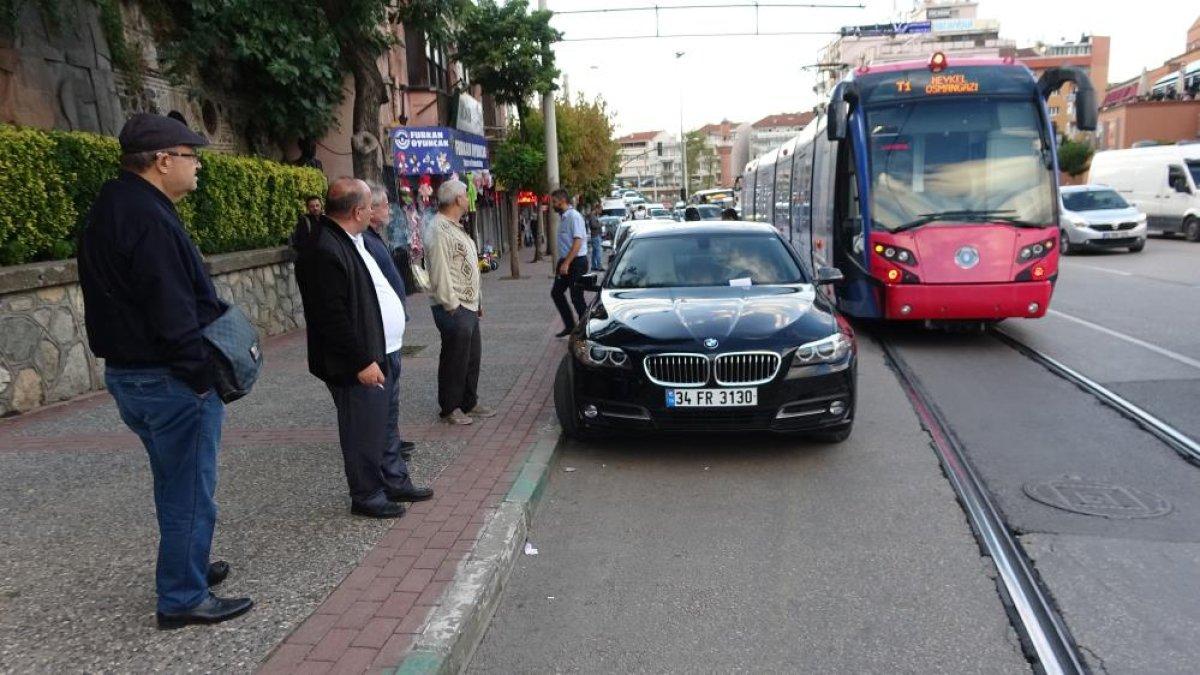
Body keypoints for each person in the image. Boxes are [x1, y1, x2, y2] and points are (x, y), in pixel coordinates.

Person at [77, 112, 253, 630]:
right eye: (191, 156)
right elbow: (170, 308)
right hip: (168, 379)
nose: (197, 166)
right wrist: (201, 378)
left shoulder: (112, 206)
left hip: (132, 375)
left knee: (172, 481)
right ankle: (181, 596)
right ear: (161, 161)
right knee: (189, 490)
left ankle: (188, 565)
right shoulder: (148, 219)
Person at [294, 178, 434, 519]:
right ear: (357, 211)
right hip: (360, 361)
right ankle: (367, 495)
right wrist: (361, 361)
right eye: (370, 205)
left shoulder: (354, 238)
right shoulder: (323, 248)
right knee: (362, 431)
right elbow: (332, 317)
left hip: (383, 350)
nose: (374, 211)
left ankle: (394, 481)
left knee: (385, 424)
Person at [425, 179, 496, 426]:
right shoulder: (437, 229)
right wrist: (451, 304)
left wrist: (478, 301)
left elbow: (468, 267)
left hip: (468, 303)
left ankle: (469, 401)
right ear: (457, 199)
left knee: (471, 356)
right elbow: (439, 270)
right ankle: (450, 407)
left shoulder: (455, 226)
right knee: (454, 358)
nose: (468, 198)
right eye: (466, 195)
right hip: (453, 305)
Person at [364, 181, 416, 464]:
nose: (390, 212)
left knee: (392, 398)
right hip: (381, 339)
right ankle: (388, 449)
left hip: (391, 337)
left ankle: (391, 441)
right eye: (384, 206)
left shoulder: (374, 238)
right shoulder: (367, 242)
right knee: (386, 397)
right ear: (369, 210)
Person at [549, 189, 589, 338]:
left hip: (576, 261)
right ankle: (570, 326)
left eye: (554, 202)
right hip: (565, 260)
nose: (552, 205)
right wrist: (562, 263)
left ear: (562, 201)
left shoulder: (574, 217)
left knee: (577, 296)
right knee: (556, 293)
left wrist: (566, 263)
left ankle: (586, 330)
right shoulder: (564, 218)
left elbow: (578, 242)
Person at [586, 204, 604, 271]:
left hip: (595, 235)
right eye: (600, 210)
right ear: (597, 209)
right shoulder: (593, 216)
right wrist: (600, 224)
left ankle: (594, 266)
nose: (601, 211)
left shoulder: (594, 215)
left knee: (595, 252)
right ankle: (599, 266)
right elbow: (593, 225)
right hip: (596, 236)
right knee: (598, 251)